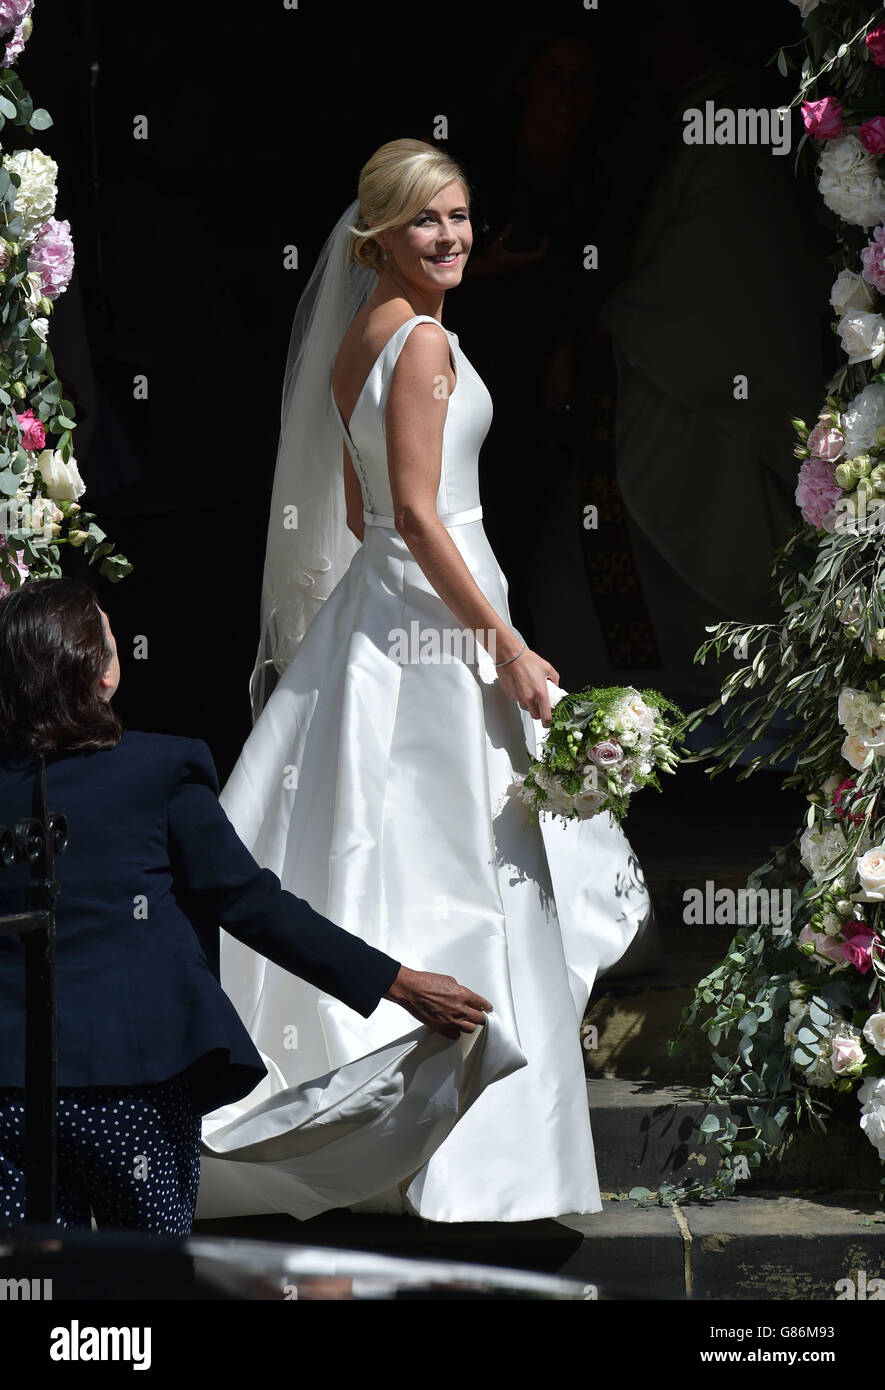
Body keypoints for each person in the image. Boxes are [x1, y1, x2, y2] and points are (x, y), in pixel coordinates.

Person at [205, 138, 652, 1225]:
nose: (450, 237)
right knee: (465, 851)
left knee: (372, 838)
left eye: (459, 216)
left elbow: (362, 517)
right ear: (380, 237)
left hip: (388, 611)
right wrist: (499, 637)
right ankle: (474, 1152)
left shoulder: (365, 335)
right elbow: (410, 512)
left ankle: (390, 1120)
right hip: (446, 621)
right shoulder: (423, 349)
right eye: (426, 222)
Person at [0, 577, 494, 1235]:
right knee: (150, 1280)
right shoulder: (159, 768)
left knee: (26, 1278)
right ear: (101, 673)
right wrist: (399, 983)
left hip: (9, 1091)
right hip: (140, 1081)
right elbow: (248, 901)